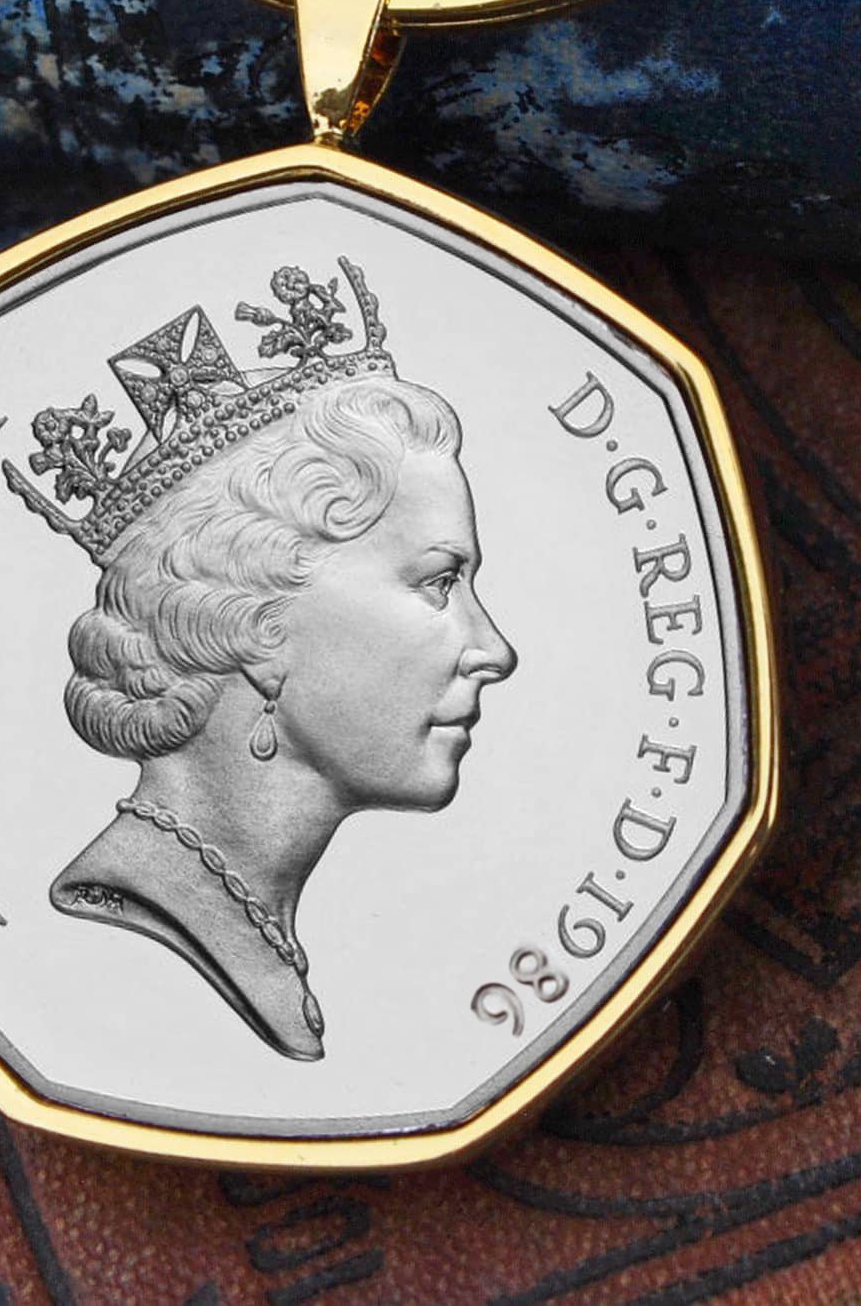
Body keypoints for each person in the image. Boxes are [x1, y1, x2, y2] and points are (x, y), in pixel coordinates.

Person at [46, 366, 516, 1060]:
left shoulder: (254, 917)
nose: (494, 652)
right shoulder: (124, 930)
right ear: (258, 626)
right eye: (438, 582)